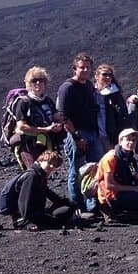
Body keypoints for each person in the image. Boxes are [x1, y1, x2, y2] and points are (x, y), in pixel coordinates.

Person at [57, 52, 104, 208]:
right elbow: (63, 116)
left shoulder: (89, 86)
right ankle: (77, 204)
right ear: (74, 69)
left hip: (92, 132)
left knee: (95, 168)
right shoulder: (67, 88)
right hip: (76, 134)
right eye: (82, 67)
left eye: (88, 67)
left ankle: (92, 203)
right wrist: (76, 136)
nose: (85, 70)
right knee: (77, 169)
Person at [97, 128, 138, 221]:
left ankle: (133, 209)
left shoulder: (129, 157)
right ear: (120, 141)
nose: (131, 143)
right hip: (110, 195)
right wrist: (134, 189)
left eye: (133, 140)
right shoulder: (111, 158)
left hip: (122, 188)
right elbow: (109, 185)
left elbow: (134, 174)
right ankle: (116, 211)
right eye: (128, 140)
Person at [10, 150, 81, 230]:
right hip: (26, 217)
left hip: (37, 211)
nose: (52, 166)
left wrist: (71, 204)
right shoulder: (32, 176)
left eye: (54, 165)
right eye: (49, 163)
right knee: (62, 216)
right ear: (41, 161)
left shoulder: (40, 175)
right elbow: (24, 202)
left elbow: (50, 194)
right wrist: (28, 222)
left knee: (65, 209)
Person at [12, 66, 65, 170]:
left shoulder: (48, 101)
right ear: (28, 83)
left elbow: (57, 118)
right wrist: (45, 129)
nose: (38, 83)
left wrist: (58, 125)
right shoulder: (23, 102)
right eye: (34, 80)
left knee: (46, 170)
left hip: (46, 142)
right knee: (34, 171)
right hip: (28, 144)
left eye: (41, 80)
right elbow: (22, 126)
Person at [94, 64, 128, 152]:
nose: (108, 77)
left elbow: (122, 115)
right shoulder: (90, 92)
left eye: (110, 75)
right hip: (94, 135)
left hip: (109, 136)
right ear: (96, 76)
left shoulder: (115, 94)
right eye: (104, 74)